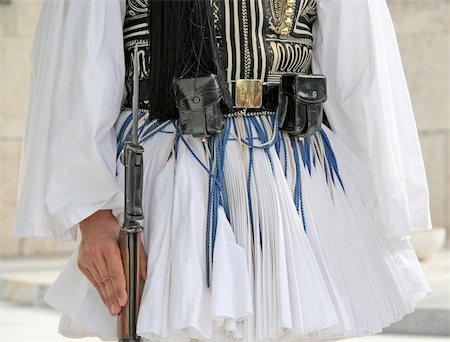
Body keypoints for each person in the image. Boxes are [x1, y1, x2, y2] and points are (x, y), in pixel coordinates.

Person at [12, 0, 433, 341]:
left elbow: (360, 70)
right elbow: (83, 67)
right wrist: (92, 214)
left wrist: (370, 204)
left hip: (291, 171)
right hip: (170, 170)